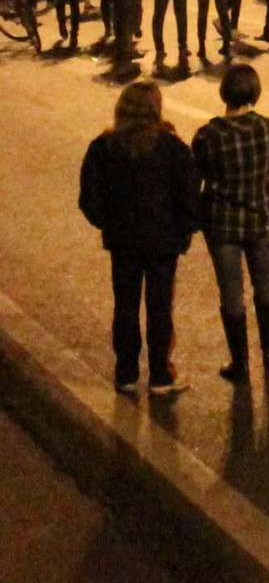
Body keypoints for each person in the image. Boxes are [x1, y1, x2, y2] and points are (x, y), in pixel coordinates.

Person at [79, 80, 200, 395]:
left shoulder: (103, 147)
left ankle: (126, 372)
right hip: (163, 242)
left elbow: (89, 200)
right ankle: (160, 374)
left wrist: (109, 222)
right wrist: (184, 230)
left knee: (126, 305)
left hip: (123, 241)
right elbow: (190, 198)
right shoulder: (173, 149)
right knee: (160, 307)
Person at [192, 63, 269, 383]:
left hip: (223, 224)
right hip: (261, 216)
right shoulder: (268, 128)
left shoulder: (209, 135)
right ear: (255, 92)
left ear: (225, 93)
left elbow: (200, 177)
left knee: (231, 295)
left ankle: (240, 362)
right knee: (266, 286)